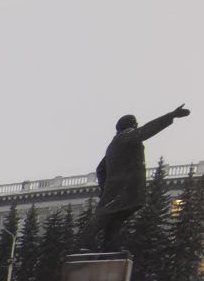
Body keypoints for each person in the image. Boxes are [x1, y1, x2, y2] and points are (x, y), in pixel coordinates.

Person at [77, 104, 190, 252]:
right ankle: (84, 243)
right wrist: (171, 115)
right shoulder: (126, 136)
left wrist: (105, 188)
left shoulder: (115, 143)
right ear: (129, 126)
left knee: (116, 218)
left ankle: (109, 247)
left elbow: (100, 169)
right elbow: (147, 130)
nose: (137, 127)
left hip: (121, 190)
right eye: (135, 125)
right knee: (104, 216)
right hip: (124, 189)